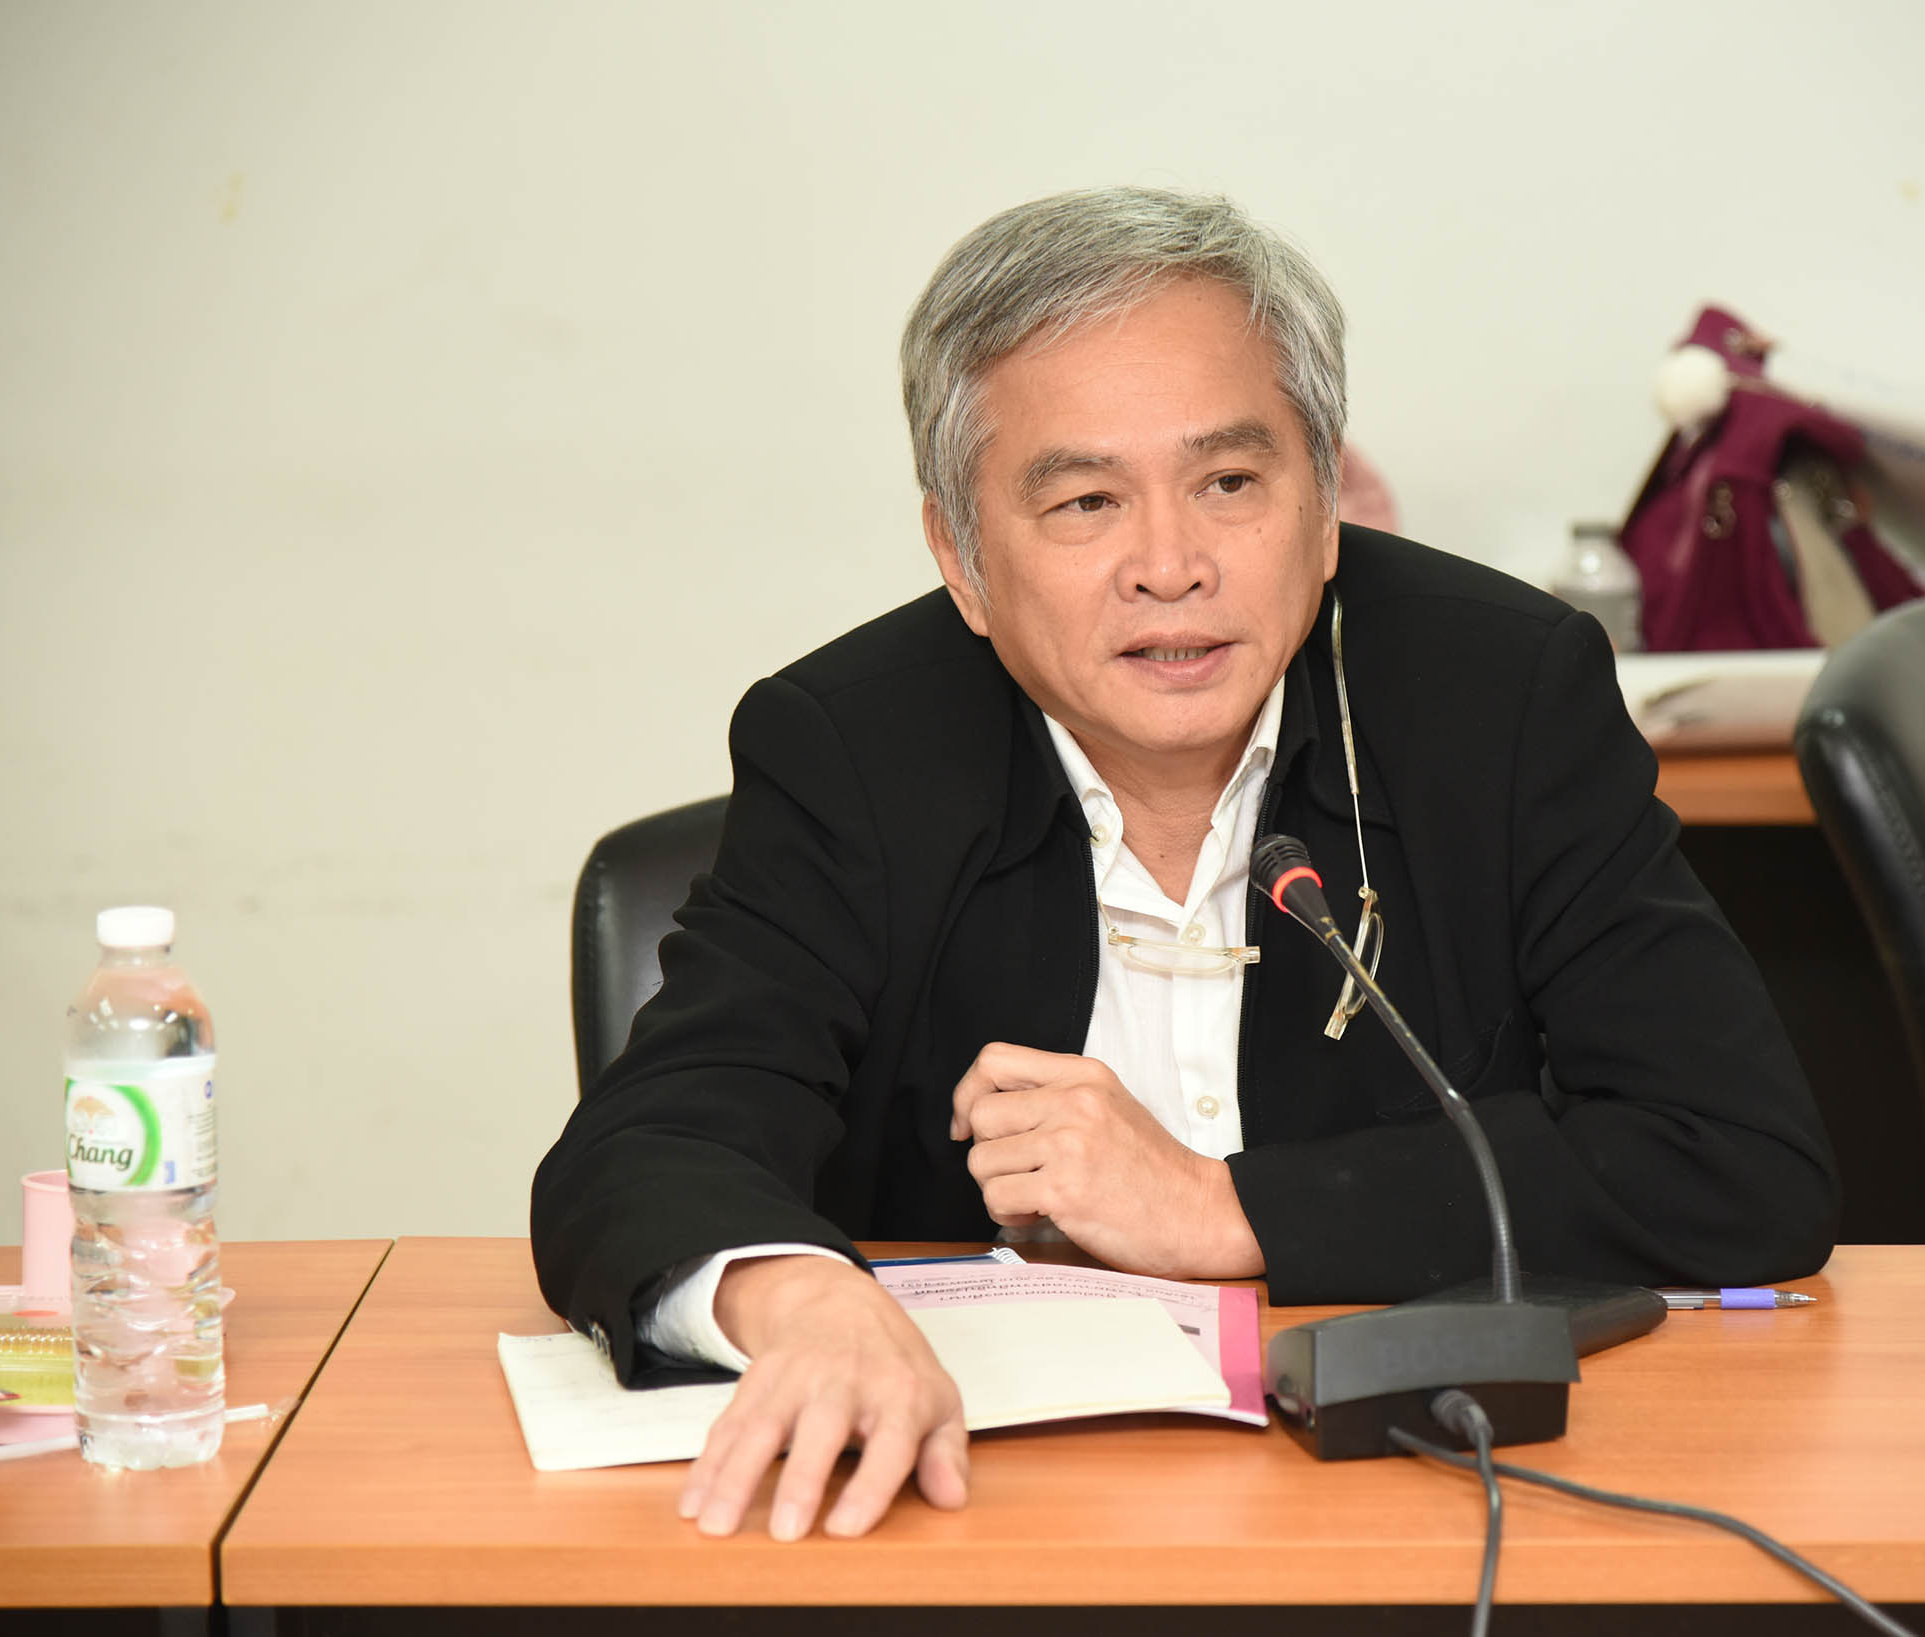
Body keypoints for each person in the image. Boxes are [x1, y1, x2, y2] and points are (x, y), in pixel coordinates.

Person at [531, 186, 1837, 1546]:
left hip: (1406, 1498)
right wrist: (801, 1301)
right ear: (961, 558)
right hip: (977, 1520)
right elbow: (647, 1142)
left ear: (1322, 506)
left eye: (1229, 483)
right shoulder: (853, 748)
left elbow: (1735, 1157)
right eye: (1085, 501)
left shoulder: (1498, 698)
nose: (1170, 566)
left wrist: (1224, 1209)